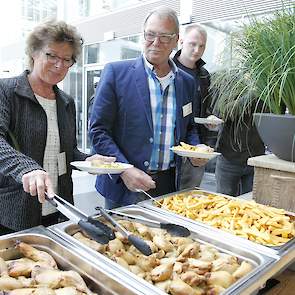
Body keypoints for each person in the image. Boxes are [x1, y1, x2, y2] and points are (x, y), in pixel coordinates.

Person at [0, 20, 114, 235]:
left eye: (66, 59)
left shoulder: (66, 102)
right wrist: (27, 168)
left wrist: (87, 159)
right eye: (51, 55)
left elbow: (67, 150)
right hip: (13, 210)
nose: (59, 65)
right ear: (34, 53)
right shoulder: (6, 91)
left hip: (58, 206)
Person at [90, 7, 207, 209]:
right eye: (150, 35)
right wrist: (123, 169)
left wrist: (197, 149)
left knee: (165, 240)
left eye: (164, 37)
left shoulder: (186, 82)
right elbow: (98, 131)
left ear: (176, 40)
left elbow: (188, 128)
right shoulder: (116, 73)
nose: (155, 42)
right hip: (124, 185)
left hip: (168, 185)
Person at [173, 24, 217, 189]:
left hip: (197, 146)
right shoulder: (167, 68)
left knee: (189, 196)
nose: (197, 50)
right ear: (181, 41)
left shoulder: (204, 75)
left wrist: (210, 118)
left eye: (202, 46)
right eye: (192, 44)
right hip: (172, 146)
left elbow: (208, 107)